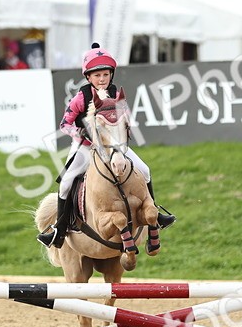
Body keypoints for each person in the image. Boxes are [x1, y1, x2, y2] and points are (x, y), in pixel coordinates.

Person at [37, 43, 175, 248]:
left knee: (145, 170)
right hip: (86, 146)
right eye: (97, 76)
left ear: (111, 75)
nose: (101, 80)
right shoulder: (81, 98)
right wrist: (79, 132)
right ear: (88, 78)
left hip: (114, 146)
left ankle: (156, 213)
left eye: (105, 75)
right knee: (66, 181)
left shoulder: (116, 95)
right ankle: (61, 228)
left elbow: (126, 117)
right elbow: (64, 124)